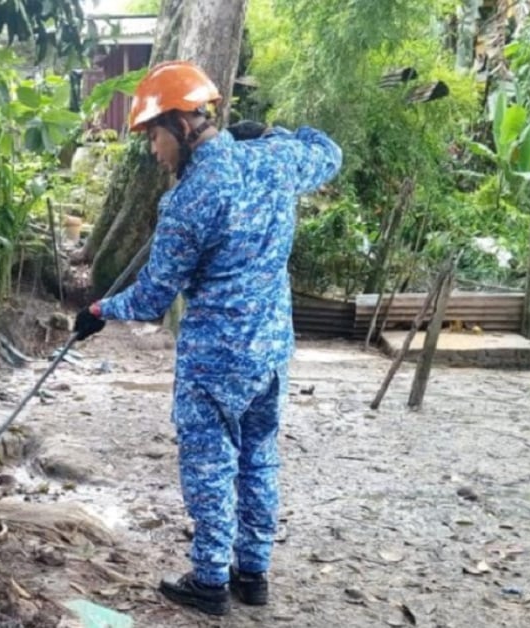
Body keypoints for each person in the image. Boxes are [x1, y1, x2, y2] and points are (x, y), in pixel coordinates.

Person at [72, 60, 342, 616]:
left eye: (152, 136)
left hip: (215, 358)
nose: (152, 151)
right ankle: (254, 572)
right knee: (260, 457)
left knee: (210, 464)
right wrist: (277, 135)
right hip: (270, 352)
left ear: (181, 125)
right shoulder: (277, 162)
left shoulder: (189, 201)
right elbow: (328, 151)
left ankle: (210, 580)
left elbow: (150, 298)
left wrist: (100, 308)